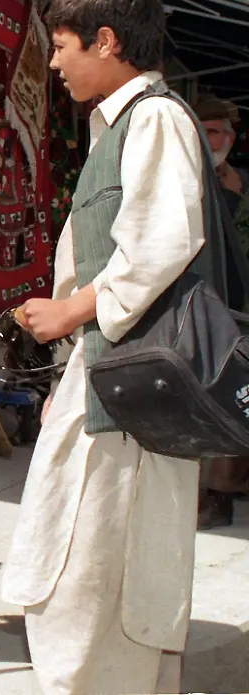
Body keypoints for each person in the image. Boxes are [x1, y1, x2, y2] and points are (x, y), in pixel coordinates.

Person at [2, 0, 206, 694]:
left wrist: (72, 309)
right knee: (85, 569)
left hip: (131, 391)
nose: (54, 64)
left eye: (62, 46)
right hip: (103, 378)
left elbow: (162, 242)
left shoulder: (154, 119)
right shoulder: (118, 127)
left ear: (107, 41)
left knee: (102, 574)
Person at [193, 95, 248, 529]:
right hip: (201, 308)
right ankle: (207, 495)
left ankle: (223, 493)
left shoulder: (241, 185)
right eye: (201, 130)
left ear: (230, 138)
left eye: (214, 131)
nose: (208, 139)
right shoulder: (187, 181)